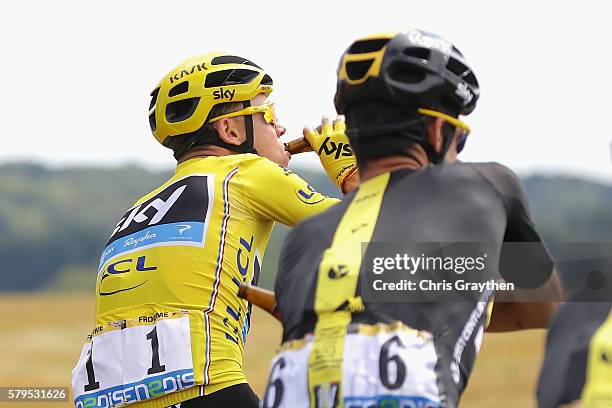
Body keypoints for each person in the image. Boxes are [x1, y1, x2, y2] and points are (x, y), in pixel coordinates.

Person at [261, 30, 562, 408]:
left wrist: (357, 185)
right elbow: (542, 307)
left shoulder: (303, 238)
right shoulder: (490, 184)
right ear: (438, 131)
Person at [70, 52, 358, 408]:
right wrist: (352, 173)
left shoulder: (134, 211)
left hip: (107, 396)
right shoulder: (247, 171)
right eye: (268, 115)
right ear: (231, 130)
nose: (280, 129)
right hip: (208, 386)